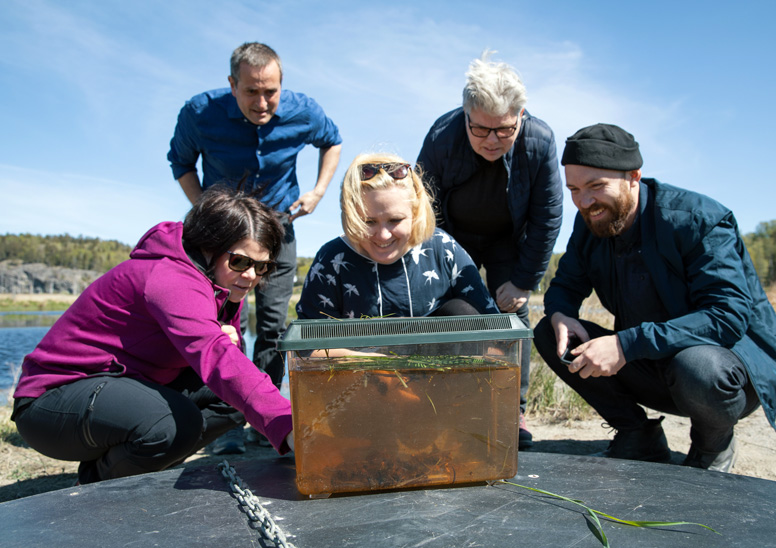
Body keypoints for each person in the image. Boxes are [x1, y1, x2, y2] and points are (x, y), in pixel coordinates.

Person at [533, 123, 776, 472]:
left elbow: (726, 316)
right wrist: (561, 314)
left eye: (596, 186)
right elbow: (565, 285)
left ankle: (711, 447)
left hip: (725, 374)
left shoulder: (698, 220)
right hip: (654, 364)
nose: (584, 201)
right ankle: (638, 436)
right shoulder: (590, 225)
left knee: (697, 367)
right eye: (575, 189)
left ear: (634, 177)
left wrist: (626, 345)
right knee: (550, 333)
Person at [11, 186, 294, 484]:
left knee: (232, 401)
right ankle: (100, 485)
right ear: (209, 245)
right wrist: (288, 425)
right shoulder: (171, 278)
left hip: (122, 385)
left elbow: (230, 367)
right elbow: (215, 354)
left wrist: (277, 417)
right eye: (240, 261)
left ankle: (118, 467)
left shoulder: (224, 286)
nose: (251, 275)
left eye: (262, 266)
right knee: (174, 425)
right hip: (51, 402)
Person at [167, 42, 342, 453]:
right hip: (221, 237)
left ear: (282, 85)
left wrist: (318, 191)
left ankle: (266, 422)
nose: (262, 102)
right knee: (220, 326)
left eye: (271, 91)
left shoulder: (304, 111)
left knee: (272, 327)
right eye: (251, 92)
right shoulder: (199, 113)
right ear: (232, 85)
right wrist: (206, 212)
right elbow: (181, 163)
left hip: (278, 231)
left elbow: (332, 141)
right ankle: (225, 423)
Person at [416, 51, 563, 450]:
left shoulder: (540, 140)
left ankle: (512, 412)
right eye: (480, 130)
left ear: (520, 115)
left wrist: (524, 281)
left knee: (512, 316)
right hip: (451, 236)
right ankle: (450, 405)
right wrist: (443, 266)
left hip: (507, 239)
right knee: (453, 314)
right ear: (466, 114)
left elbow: (548, 217)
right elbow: (422, 207)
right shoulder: (441, 135)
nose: (493, 140)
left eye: (505, 130)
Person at [297, 153, 500, 328]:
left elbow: (493, 324)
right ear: (350, 216)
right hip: (359, 367)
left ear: (415, 213)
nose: (383, 235)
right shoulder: (332, 260)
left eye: (395, 220)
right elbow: (309, 345)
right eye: (369, 221)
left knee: (461, 310)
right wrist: (384, 366)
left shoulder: (441, 246)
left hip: (437, 367)